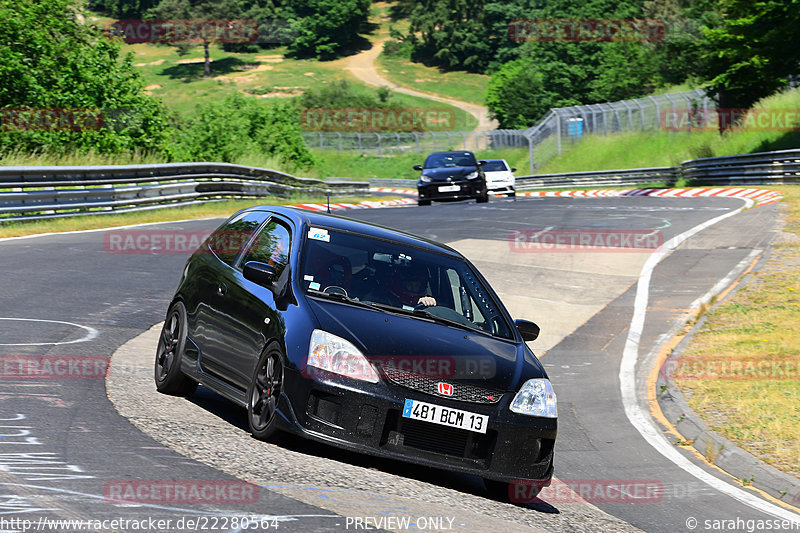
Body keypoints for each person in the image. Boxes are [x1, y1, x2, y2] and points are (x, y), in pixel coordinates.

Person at [364, 263, 436, 308]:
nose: (413, 289)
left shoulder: (424, 303)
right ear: (399, 283)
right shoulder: (378, 298)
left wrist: (428, 304)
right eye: (409, 284)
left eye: (417, 286)